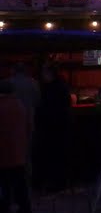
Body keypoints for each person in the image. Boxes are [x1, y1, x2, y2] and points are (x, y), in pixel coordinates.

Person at [34, 62, 72, 192]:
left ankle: (56, 183)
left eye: (44, 72)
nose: (42, 75)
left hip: (53, 127)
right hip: (61, 126)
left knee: (54, 155)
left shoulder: (50, 88)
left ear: (49, 73)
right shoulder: (61, 86)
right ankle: (60, 182)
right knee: (60, 156)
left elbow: (46, 107)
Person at [0, 81, 33, 213]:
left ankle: (3, 211)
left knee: (4, 184)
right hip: (18, 151)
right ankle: (25, 210)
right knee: (20, 182)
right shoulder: (19, 105)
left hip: (3, 152)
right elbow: (29, 126)